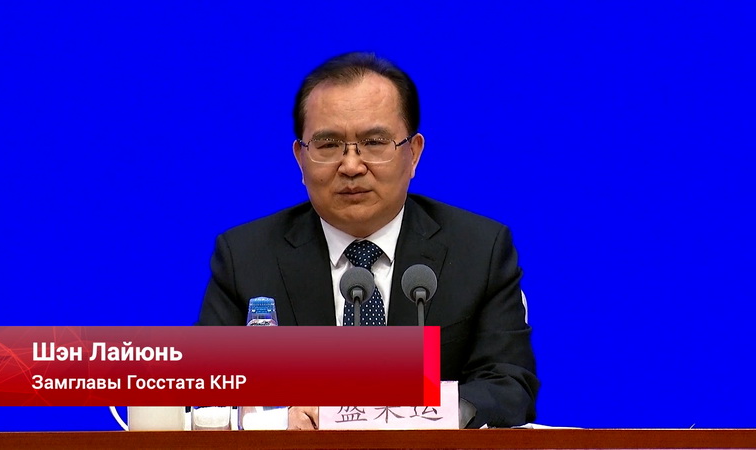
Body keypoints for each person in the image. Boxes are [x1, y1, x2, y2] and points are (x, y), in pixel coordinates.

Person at [198, 52, 538, 429]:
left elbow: (509, 385)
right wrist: (280, 419)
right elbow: (208, 394)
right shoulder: (246, 256)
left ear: (413, 154)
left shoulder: (479, 249)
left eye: (374, 142)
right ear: (300, 158)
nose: (351, 166)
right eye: (328, 145)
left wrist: (430, 418)